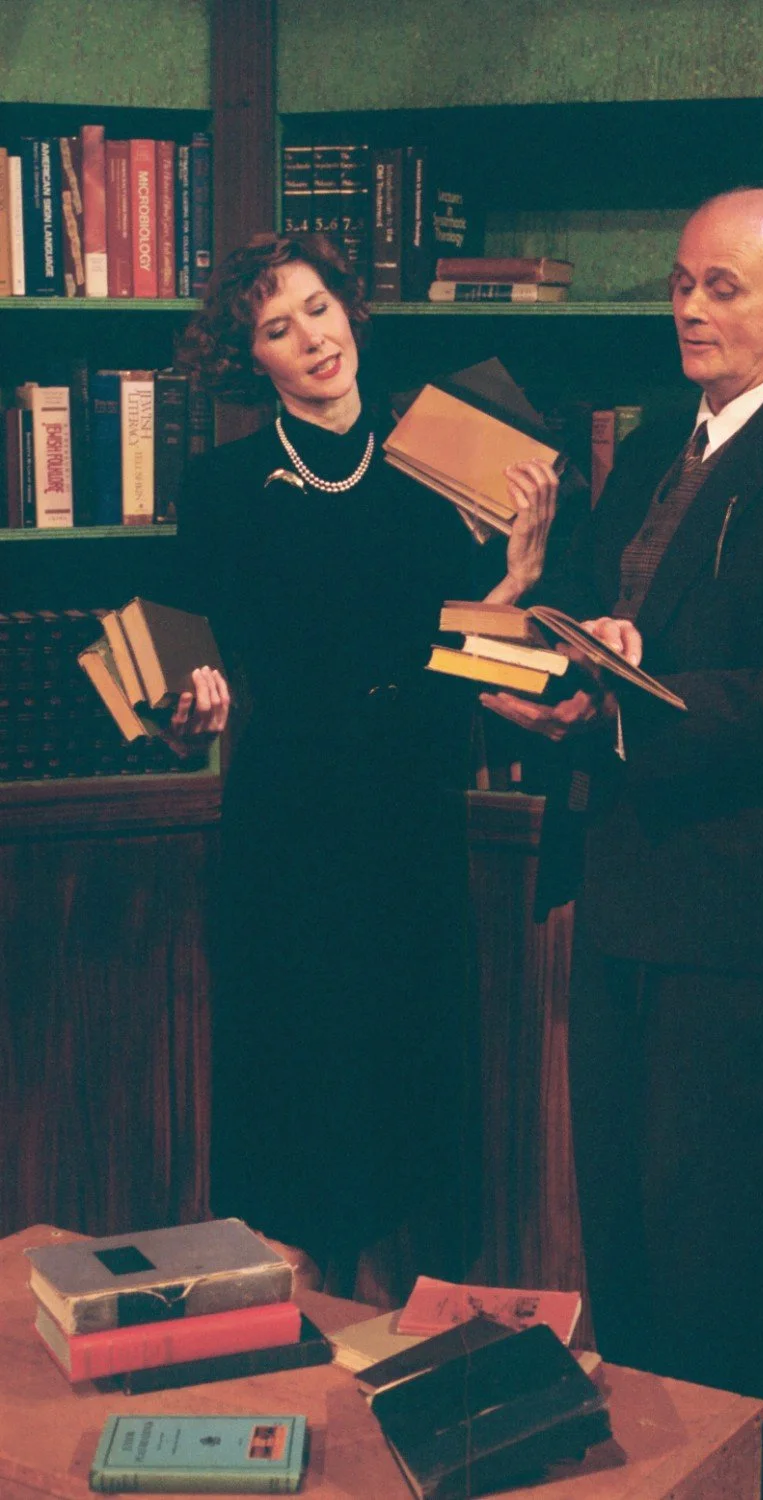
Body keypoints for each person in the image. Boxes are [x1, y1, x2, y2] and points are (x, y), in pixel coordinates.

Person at [481, 188, 763, 1497]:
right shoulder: (658, 444)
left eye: (723, 286)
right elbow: (615, 621)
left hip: (745, 929)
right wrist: (569, 665)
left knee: (726, 1269)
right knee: (626, 1252)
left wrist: (631, 699)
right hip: (623, 899)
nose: (689, 307)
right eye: (680, 282)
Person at [170, 231, 559, 1296]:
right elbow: (187, 668)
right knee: (295, 1078)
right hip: (287, 821)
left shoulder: (442, 460)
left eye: (319, 307)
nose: (311, 338)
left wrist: (517, 578)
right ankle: (293, 1314)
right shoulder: (220, 485)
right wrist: (189, 702)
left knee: (402, 1077)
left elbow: (462, 666)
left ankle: (397, 1327)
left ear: (349, 309)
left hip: (410, 814)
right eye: (277, 326)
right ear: (252, 358)